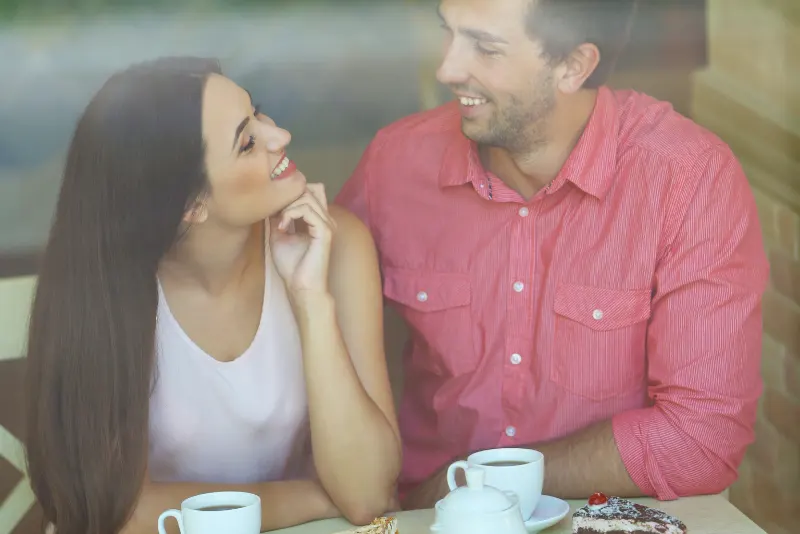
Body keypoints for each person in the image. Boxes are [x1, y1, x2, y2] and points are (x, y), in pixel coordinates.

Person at [335, 0, 769, 510]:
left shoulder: (687, 180)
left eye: (486, 47)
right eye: (449, 34)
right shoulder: (397, 163)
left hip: (604, 516)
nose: (447, 69)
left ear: (574, 66)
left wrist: (486, 480)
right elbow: (302, 340)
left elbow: (701, 441)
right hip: (425, 518)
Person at [24, 57, 401, 534]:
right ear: (190, 205)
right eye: (247, 142)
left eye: (258, 112)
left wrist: (310, 300)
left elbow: (368, 492)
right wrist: (312, 498)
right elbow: (110, 512)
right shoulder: (100, 291)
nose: (278, 135)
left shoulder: (336, 244)